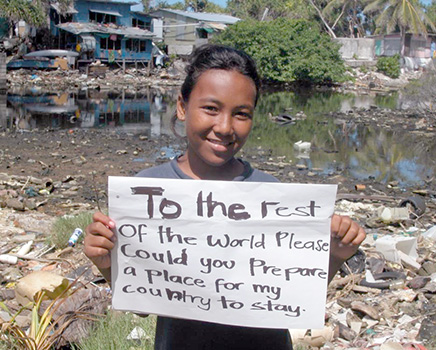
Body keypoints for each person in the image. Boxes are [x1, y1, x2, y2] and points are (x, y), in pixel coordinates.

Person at [84, 44, 366, 350]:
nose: (225, 127)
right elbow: (141, 305)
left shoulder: (270, 195)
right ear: (182, 106)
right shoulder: (147, 190)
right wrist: (105, 262)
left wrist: (336, 254)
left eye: (241, 114)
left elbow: (292, 292)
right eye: (211, 108)